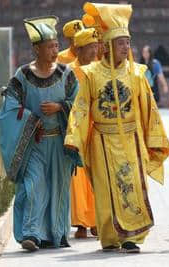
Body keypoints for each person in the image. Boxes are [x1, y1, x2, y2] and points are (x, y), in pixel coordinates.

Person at [65, 2, 169, 254]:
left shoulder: (137, 73)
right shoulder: (90, 74)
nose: (126, 47)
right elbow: (81, 108)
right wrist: (74, 137)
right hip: (102, 140)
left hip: (131, 140)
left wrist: (154, 139)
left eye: (128, 42)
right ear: (108, 45)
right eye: (121, 42)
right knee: (104, 190)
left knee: (132, 186)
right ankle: (110, 237)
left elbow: (150, 109)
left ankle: (132, 236)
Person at [0, 16, 81, 252]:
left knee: (58, 187)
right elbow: (9, 105)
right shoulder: (22, 75)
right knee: (33, 185)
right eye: (50, 47)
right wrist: (31, 120)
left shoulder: (66, 74)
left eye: (56, 46)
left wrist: (61, 108)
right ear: (36, 49)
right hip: (34, 143)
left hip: (59, 142)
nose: (55, 50)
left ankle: (55, 233)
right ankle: (31, 233)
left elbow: (79, 104)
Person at [69, 28, 100, 239]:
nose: (94, 51)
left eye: (95, 47)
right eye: (89, 47)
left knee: (97, 176)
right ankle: (80, 222)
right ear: (77, 49)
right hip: (77, 129)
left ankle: (98, 220)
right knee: (78, 180)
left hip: (98, 129)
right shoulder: (68, 72)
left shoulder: (100, 69)